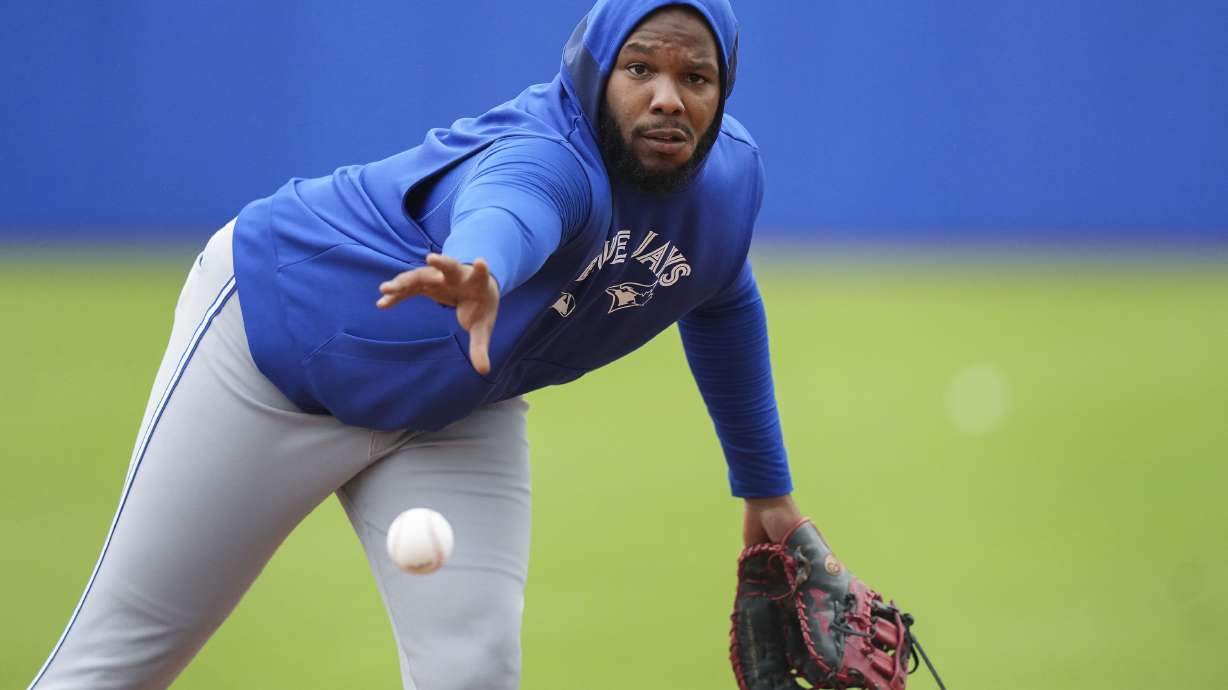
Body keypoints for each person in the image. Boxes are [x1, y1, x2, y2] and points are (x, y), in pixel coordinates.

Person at [27, 1, 807, 688]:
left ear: (723, 90)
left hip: (455, 403)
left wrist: (766, 487)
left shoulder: (729, 183)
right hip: (274, 356)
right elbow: (512, 204)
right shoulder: (553, 159)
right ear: (594, 71)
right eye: (639, 68)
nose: (667, 97)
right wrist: (483, 265)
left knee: (473, 671)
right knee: (117, 665)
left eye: (696, 78)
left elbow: (722, 297)